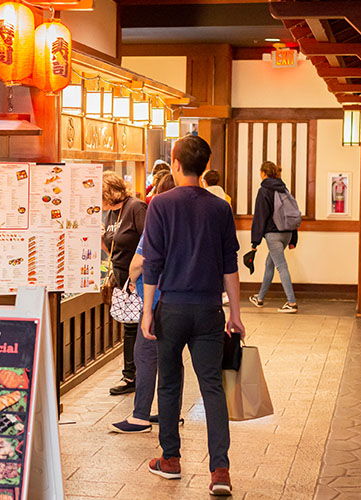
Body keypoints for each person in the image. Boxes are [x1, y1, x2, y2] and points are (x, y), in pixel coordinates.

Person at [140, 135, 244, 496]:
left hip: (172, 307)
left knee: (169, 382)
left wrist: (147, 311)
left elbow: (153, 263)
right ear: (203, 166)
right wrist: (236, 313)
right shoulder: (219, 208)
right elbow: (230, 264)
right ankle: (220, 471)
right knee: (212, 386)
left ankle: (170, 459)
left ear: (176, 163)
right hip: (209, 310)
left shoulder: (160, 205)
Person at [108, 172, 179, 434]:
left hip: (156, 297)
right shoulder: (197, 216)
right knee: (171, 358)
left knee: (145, 354)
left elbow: (139, 261)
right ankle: (170, 412)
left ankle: (140, 417)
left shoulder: (158, 215)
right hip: (184, 297)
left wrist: (130, 279)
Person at [102, 171, 147, 396]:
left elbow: (149, 241)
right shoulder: (110, 213)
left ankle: (137, 375)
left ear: (110, 193)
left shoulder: (136, 208)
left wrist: (136, 275)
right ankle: (131, 374)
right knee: (128, 325)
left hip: (138, 277)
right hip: (120, 274)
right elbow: (111, 244)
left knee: (137, 326)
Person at [249, 161, 299, 313]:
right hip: (287, 233)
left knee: (281, 266)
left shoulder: (264, 190)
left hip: (273, 235)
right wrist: (293, 239)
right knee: (269, 264)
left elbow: (260, 216)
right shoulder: (283, 189)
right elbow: (290, 213)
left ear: (263, 173)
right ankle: (260, 298)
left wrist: (255, 241)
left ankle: (291, 303)